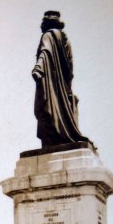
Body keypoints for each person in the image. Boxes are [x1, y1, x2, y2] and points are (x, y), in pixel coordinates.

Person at [32, 10, 89, 148]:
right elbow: (69, 66)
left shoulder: (48, 35)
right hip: (63, 85)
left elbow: (45, 53)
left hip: (50, 82)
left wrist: (38, 68)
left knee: (47, 108)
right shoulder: (65, 39)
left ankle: (53, 140)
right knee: (61, 108)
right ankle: (64, 135)